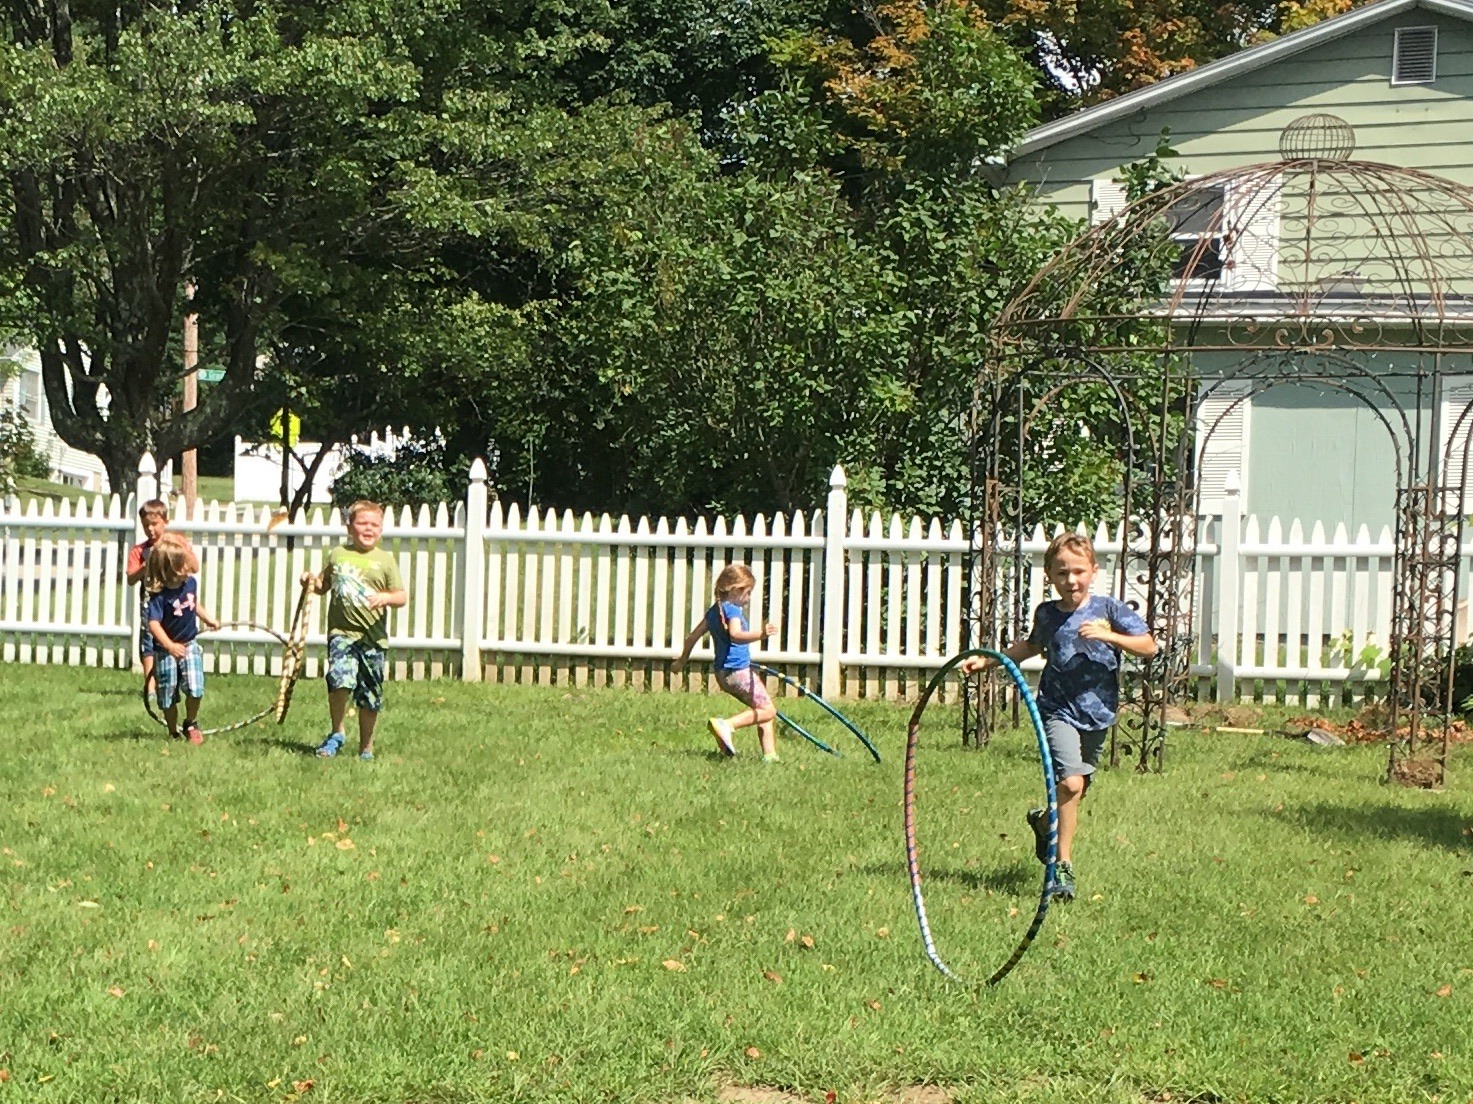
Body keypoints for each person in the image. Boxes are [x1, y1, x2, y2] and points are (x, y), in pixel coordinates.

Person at [960, 532, 1157, 901]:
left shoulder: (1109, 611)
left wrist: (1111, 636)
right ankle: (1061, 866)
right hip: (1056, 708)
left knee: (1076, 790)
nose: (1072, 580)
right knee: (1071, 784)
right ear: (1050, 575)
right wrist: (988, 660)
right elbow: (1032, 646)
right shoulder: (1048, 614)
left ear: (1094, 572)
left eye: (1079, 572)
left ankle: (1045, 822)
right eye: (1063, 573)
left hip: (1098, 713)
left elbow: (1148, 646)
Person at [301, 500, 407, 761]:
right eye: (362, 523)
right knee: (339, 679)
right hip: (342, 633)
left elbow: (401, 596)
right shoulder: (338, 555)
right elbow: (322, 585)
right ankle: (337, 732)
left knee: (370, 695)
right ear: (350, 527)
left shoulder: (385, 561)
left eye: (374, 525)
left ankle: (366, 747)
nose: (368, 529)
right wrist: (308, 581)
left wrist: (385, 598)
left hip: (372, 638)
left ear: (381, 530)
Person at [673, 564, 781, 761]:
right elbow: (736, 635)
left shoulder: (715, 611)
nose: (748, 599)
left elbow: (692, 637)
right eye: (747, 593)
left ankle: (770, 756)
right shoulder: (733, 611)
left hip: (723, 674)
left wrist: (681, 661)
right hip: (738, 671)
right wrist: (761, 634)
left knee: (761, 707)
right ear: (735, 590)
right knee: (768, 710)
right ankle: (727, 725)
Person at [144, 533, 219, 744]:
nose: (190, 569)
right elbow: (153, 624)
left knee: (196, 687)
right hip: (165, 651)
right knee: (167, 695)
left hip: (189, 644)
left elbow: (193, 604)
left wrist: (208, 619)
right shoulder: (159, 597)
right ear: (174, 569)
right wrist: (169, 645)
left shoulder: (191, 584)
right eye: (185, 565)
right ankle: (172, 731)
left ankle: (191, 722)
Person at [125, 499, 198, 697]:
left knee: (177, 640)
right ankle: (150, 686)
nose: (150, 529)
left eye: (154, 524)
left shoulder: (176, 544)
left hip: (175, 602)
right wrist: (146, 564)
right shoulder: (140, 551)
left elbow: (194, 567)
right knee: (148, 641)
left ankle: (180, 679)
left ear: (165, 521)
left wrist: (179, 549)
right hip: (152, 602)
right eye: (145, 525)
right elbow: (131, 578)